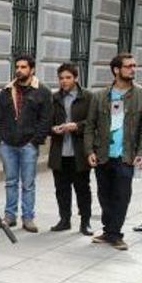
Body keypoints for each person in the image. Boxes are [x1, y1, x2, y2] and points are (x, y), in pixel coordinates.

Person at [84, 53, 142, 250]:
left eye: (134, 66)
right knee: (104, 195)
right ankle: (107, 230)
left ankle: (115, 234)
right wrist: (89, 150)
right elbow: (90, 126)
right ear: (116, 70)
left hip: (126, 155)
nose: (133, 69)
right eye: (128, 66)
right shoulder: (100, 96)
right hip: (104, 154)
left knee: (122, 196)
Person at [0, 54, 53, 232]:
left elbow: (45, 119)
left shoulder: (42, 91)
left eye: (23, 67)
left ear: (32, 69)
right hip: (8, 144)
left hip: (28, 145)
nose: (19, 70)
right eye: (17, 66)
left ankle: (28, 218)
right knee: (10, 181)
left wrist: (35, 141)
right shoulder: (6, 90)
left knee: (28, 183)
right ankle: (10, 216)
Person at [48, 62, 94, 235]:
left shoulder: (88, 97)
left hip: (80, 153)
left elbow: (94, 122)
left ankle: (85, 222)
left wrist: (77, 126)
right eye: (61, 78)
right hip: (59, 152)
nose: (64, 81)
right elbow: (46, 123)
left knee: (83, 189)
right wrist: (53, 129)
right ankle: (64, 219)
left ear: (76, 78)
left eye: (68, 77)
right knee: (61, 189)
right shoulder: (54, 98)